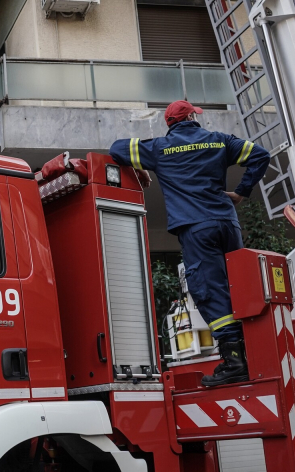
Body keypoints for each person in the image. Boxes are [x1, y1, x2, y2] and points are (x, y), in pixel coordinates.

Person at [110, 100, 270, 386]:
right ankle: (253, 351)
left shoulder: (159, 149)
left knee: (209, 289)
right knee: (239, 285)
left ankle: (234, 361)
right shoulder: (220, 141)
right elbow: (260, 155)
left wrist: (141, 168)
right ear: (195, 118)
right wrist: (242, 192)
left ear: (169, 123)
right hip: (227, 224)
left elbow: (117, 149)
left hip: (197, 227)